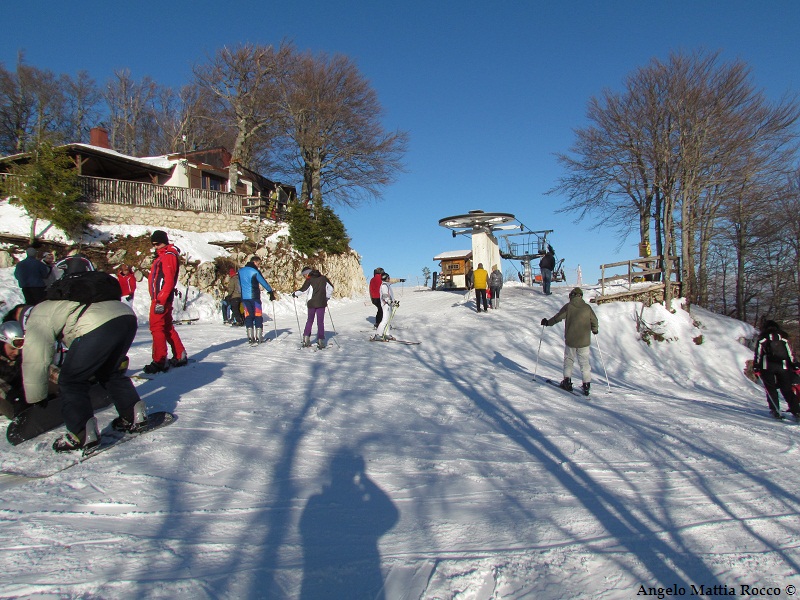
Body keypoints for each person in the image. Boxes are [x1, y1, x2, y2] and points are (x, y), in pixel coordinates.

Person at [21, 293, 146, 451]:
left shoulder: (36, 317)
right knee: (108, 371)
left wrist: (36, 396)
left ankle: (81, 434)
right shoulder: (59, 303)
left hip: (98, 323)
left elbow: (35, 358)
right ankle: (134, 416)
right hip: (125, 316)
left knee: (71, 380)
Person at [541, 287, 598, 397]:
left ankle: (567, 381)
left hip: (571, 340)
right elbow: (594, 320)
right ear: (581, 296)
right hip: (584, 341)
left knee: (569, 360)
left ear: (572, 296)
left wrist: (547, 323)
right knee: (584, 363)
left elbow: (558, 317)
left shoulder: (568, 307)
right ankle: (586, 384)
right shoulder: (587, 308)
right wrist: (595, 329)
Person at [145, 230, 187, 373]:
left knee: (157, 328)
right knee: (167, 327)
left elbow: (168, 281)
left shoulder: (168, 256)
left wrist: (160, 300)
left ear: (164, 242)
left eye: (158, 243)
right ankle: (180, 354)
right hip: (161, 298)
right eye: (153, 244)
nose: (155, 247)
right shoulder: (163, 255)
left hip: (161, 299)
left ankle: (159, 360)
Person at [752, 319, 800, 420]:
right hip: (783, 366)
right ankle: (796, 411)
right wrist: (795, 365)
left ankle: (775, 410)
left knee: (771, 389)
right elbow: (790, 353)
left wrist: (756, 367)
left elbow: (758, 354)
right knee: (787, 389)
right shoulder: (784, 338)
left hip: (767, 366)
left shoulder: (763, 339)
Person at [293, 266, 334, 349]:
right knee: (320, 322)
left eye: (304, 275)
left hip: (311, 303)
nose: (305, 277)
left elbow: (303, 290)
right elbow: (331, 288)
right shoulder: (323, 278)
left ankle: (306, 339)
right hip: (321, 303)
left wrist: (295, 293)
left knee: (310, 320)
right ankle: (321, 340)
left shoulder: (309, 280)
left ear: (307, 273)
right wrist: (326, 297)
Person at [238, 255, 275, 345]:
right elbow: (263, 282)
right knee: (258, 315)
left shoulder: (240, 271)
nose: (259, 266)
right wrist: (270, 291)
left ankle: (250, 337)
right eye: (258, 264)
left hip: (245, 298)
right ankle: (259, 337)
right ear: (254, 262)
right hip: (254, 297)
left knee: (248, 316)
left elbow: (239, 284)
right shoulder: (255, 271)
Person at [0, 320, 25, 419]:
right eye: (12, 348)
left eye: (19, 349)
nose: (16, 353)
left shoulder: (20, 358)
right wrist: (12, 395)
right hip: (9, 403)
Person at [372, 272, 396, 341]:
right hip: (386, 305)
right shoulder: (384, 286)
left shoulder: (387, 285)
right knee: (385, 320)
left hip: (389, 305)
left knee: (388, 320)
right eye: (388, 277)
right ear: (386, 278)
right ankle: (378, 334)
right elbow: (385, 296)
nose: (389, 278)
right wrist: (389, 301)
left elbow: (390, 295)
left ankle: (386, 334)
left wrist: (394, 301)